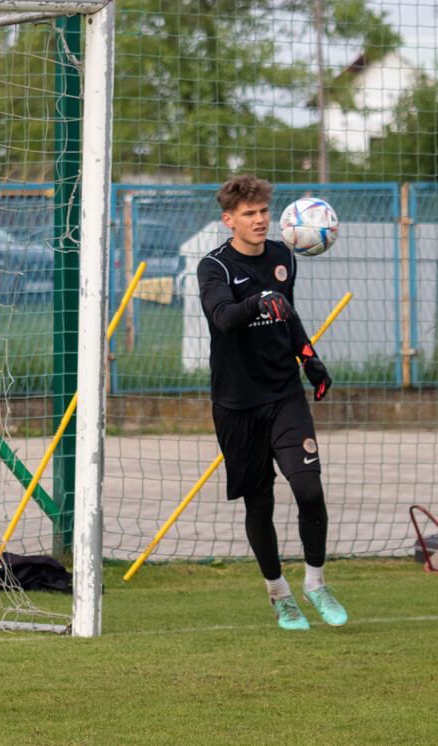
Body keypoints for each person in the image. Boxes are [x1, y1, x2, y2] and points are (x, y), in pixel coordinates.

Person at [196, 174, 346, 631]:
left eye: (263, 211)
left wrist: (309, 359)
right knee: (260, 505)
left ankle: (316, 584)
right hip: (237, 404)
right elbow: (223, 317)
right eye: (249, 214)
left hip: (284, 394)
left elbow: (289, 315)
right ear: (229, 220)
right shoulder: (214, 267)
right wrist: (258, 302)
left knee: (309, 490)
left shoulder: (284, 256)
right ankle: (279, 594)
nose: (259, 220)